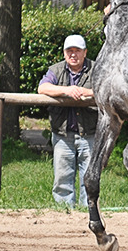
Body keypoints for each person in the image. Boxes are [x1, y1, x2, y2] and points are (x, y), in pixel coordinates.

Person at [37, 34, 97, 208]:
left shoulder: (97, 69)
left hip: (90, 134)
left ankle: (89, 212)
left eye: (77, 50)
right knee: (62, 178)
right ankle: (64, 214)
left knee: (90, 178)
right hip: (62, 135)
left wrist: (84, 92)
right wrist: (68, 91)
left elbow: (107, 89)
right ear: (64, 53)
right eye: (69, 51)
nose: (73, 54)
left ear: (85, 52)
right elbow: (43, 87)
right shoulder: (55, 70)